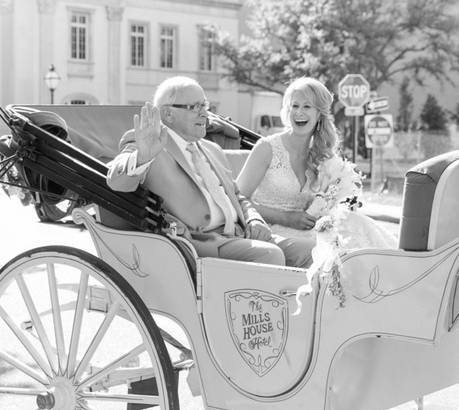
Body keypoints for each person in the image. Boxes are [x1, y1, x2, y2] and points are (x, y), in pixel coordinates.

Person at [106, 76, 314, 268]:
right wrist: (142, 157)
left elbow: (238, 195)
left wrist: (253, 219)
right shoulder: (148, 144)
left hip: (240, 233)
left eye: (204, 105)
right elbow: (115, 181)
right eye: (194, 107)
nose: (204, 112)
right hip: (200, 241)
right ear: (168, 113)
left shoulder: (212, 149)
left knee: (312, 251)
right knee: (269, 255)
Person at [236, 76, 397, 250]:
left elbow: (330, 201)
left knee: (357, 224)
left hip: (310, 231)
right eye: (294, 106)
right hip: (269, 230)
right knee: (332, 247)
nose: (299, 112)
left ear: (319, 114)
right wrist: (287, 217)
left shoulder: (322, 156)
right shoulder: (267, 148)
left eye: (307, 106)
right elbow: (237, 199)